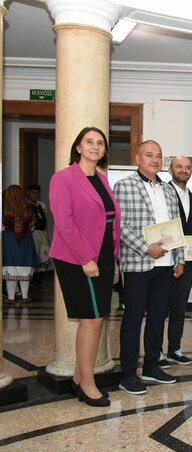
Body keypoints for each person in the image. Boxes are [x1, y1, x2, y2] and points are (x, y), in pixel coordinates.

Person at [48, 127, 120, 407]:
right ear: (78, 147)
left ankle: (80, 376)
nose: (95, 146)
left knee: (97, 318)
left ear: (103, 151)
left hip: (101, 256)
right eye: (89, 141)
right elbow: (64, 223)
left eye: (100, 143)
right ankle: (87, 384)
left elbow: (110, 221)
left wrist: (112, 257)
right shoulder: (63, 179)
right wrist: (85, 259)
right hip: (76, 258)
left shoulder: (102, 180)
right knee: (90, 320)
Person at [114, 140, 184, 395]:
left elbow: (176, 227)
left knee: (157, 318)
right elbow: (119, 227)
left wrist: (179, 258)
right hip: (137, 264)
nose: (155, 159)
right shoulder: (123, 186)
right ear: (138, 158)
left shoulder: (168, 190)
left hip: (165, 265)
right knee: (133, 319)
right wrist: (146, 247)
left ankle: (152, 366)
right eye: (149, 155)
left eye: (159, 155)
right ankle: (128, 373)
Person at [158, 156, 192, 369]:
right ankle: (156, 353)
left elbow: (191, 232)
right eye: (179, 167)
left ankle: (174, 349)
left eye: (187, 167)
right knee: (159, 309)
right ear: (170, 170)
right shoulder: (161, 193)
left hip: (188, 263)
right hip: (164, 260)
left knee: (178, 308)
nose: (184, 170)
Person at [3, 185, 38, 304]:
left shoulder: (4, 208)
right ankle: (24, 296)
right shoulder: (26, 207)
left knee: (10, 264)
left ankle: (11, 297)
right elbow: (32, 224)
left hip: (9, 239)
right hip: (25, 239)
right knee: (24, 264)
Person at [26, 184, 51, 290]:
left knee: (44, 254)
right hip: (31, 233)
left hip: (41, 232)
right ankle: (30, 282)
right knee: (34, 255)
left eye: (37, 193)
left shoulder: (41, 205)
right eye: (33, 192)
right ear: (28, 193)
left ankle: (38, 281)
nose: (35, 195)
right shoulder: (25, 205)